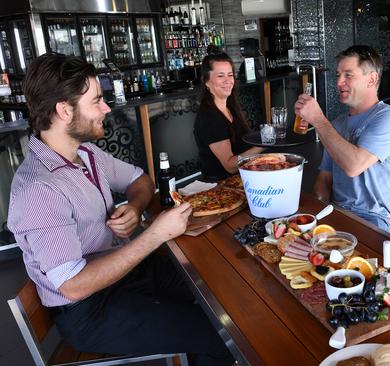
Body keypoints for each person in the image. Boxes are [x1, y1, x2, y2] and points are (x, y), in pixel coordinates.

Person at [8, 53, 233, 366]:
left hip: (123, 276)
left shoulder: (85, 154)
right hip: (89, 309)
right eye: (97, 100)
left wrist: (135, 206)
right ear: (64, 110)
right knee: (221, 335)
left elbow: (140, 180)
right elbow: (74, 285)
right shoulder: (39, 189)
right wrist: (153, 236)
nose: (107, 108)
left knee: (215, 285)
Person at [294, 45, 390, 236]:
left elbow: (354, 166)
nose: (339, 82)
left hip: (375, 222)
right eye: (338, 75)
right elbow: (325, 178)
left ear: (372, 79)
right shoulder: (337, 124)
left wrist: (319, 120)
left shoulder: (388, 119)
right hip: (336, 215)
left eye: (348, 75)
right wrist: (317, 215)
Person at [194, 52, 263, 181]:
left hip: (242, 178)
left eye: (230, 75)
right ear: (206, 81)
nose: (228, 80)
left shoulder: (231, 107)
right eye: (220, 76)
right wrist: (263, 145)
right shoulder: (210, 118)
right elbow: (230, 166)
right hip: (220, 187)